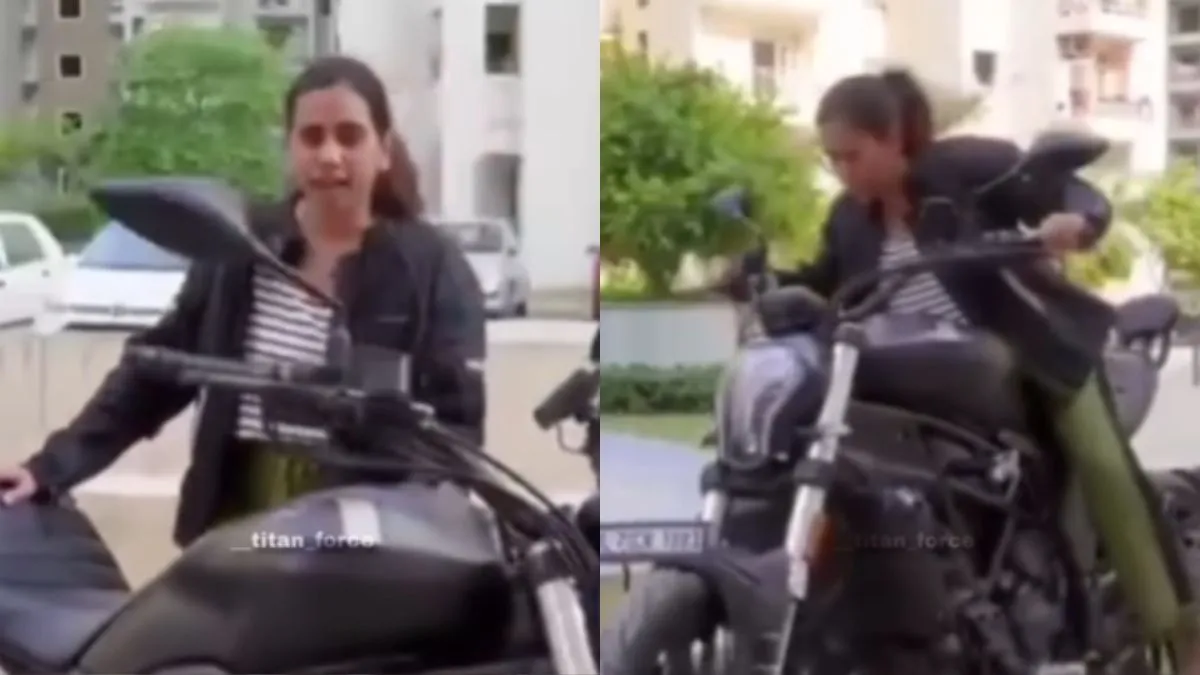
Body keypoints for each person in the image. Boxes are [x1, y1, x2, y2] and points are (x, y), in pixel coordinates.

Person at [759, 68, 1197, 665]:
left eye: (852, 155)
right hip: (908, 382)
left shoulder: (963, 171)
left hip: (1025, 356)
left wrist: (1077, 224)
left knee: (1102, 465)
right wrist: (764, 282)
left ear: (894, 140)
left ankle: (1180, 626)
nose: (841, 171)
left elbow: (1067, 191)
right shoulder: (847, 218)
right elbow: (826, 283)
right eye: (831, 159)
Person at [0, 55, 488, 547]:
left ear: (383, 150)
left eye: (349, 136)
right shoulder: (240, 246)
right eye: (312, 137)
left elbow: (457, 432)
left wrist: (410, 536)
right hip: (235, 518)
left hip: (365, 535)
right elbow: (152, 377)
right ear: (290, 148)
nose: (329, 154)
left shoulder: (433, 267)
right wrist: (49, 469)